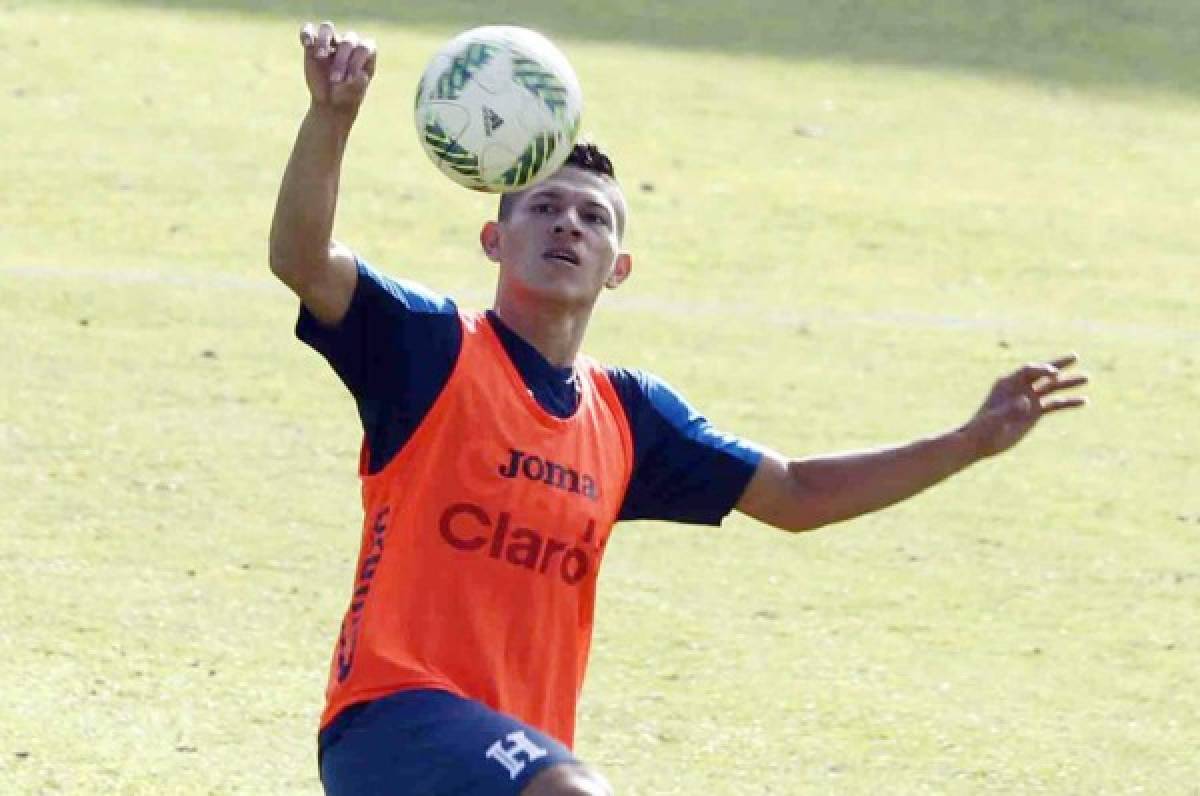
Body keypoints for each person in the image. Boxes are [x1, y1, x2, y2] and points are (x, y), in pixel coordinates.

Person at [268, 21, 1088, 796]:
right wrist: (331, 117)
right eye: (545, 207)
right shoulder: (430, 349)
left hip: (506, 749)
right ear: (495, 238)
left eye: (594, 217)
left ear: (618, 268)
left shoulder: (629, 417)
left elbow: (797, 495)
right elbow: (302, 260)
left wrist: (970, 441)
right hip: (391, 716)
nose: (569, 225)